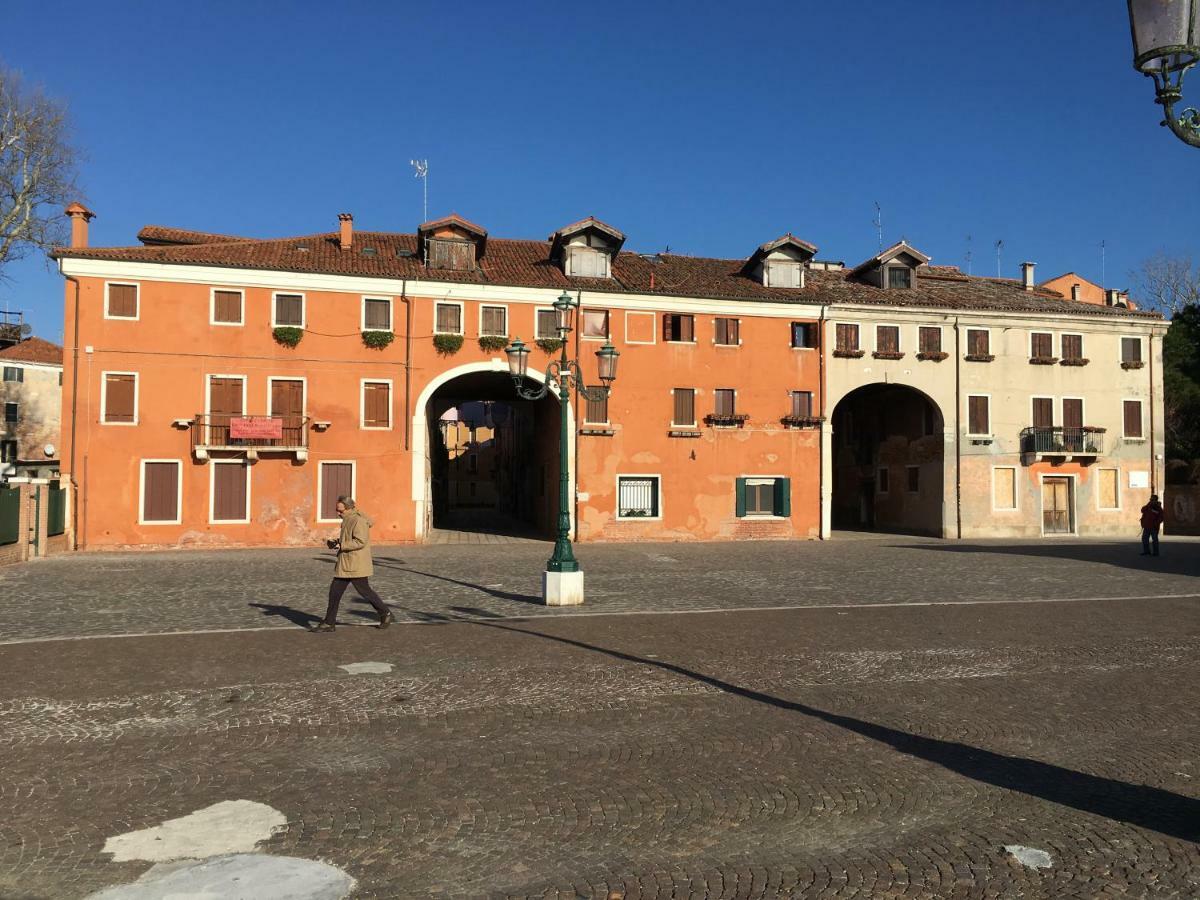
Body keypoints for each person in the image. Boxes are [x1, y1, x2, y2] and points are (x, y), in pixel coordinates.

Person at [312, 496, 393, 632]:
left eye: (340, 511)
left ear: (349, 509)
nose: (338, 513)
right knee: (334, 593)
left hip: (355, 563)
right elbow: (349, 538)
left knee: (365, 591)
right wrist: (337, 542)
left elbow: (360, 541)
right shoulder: (348, 519)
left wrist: (341, 545)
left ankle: (385, 613)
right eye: (337, 510)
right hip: (347, 563)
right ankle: (329, 623)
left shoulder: (358, 521)